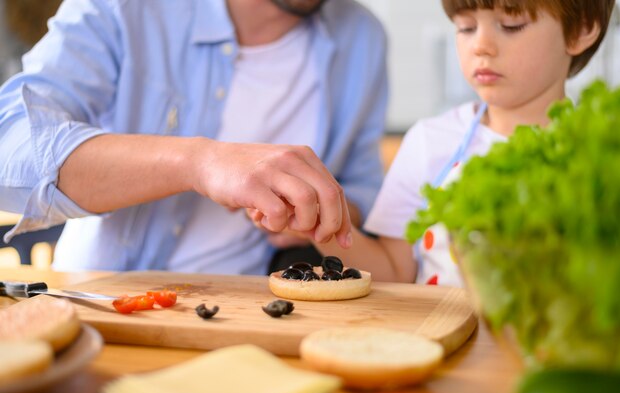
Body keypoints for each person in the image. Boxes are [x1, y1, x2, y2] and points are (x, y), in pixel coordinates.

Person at [0, 0, 388, 274]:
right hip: (105, 301)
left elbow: (362, 194)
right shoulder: (124, 9)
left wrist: (316, 207)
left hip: (253, 318)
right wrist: (201, 162)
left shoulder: (362, 37)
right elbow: (10, 144)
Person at [252, 0, 614, 285]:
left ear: (581, 30)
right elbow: (395, 272)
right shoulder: (431, 141)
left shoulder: (605, 149)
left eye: (511, 24)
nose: (482, 46)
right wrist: (316, 222)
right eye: (466, 28)